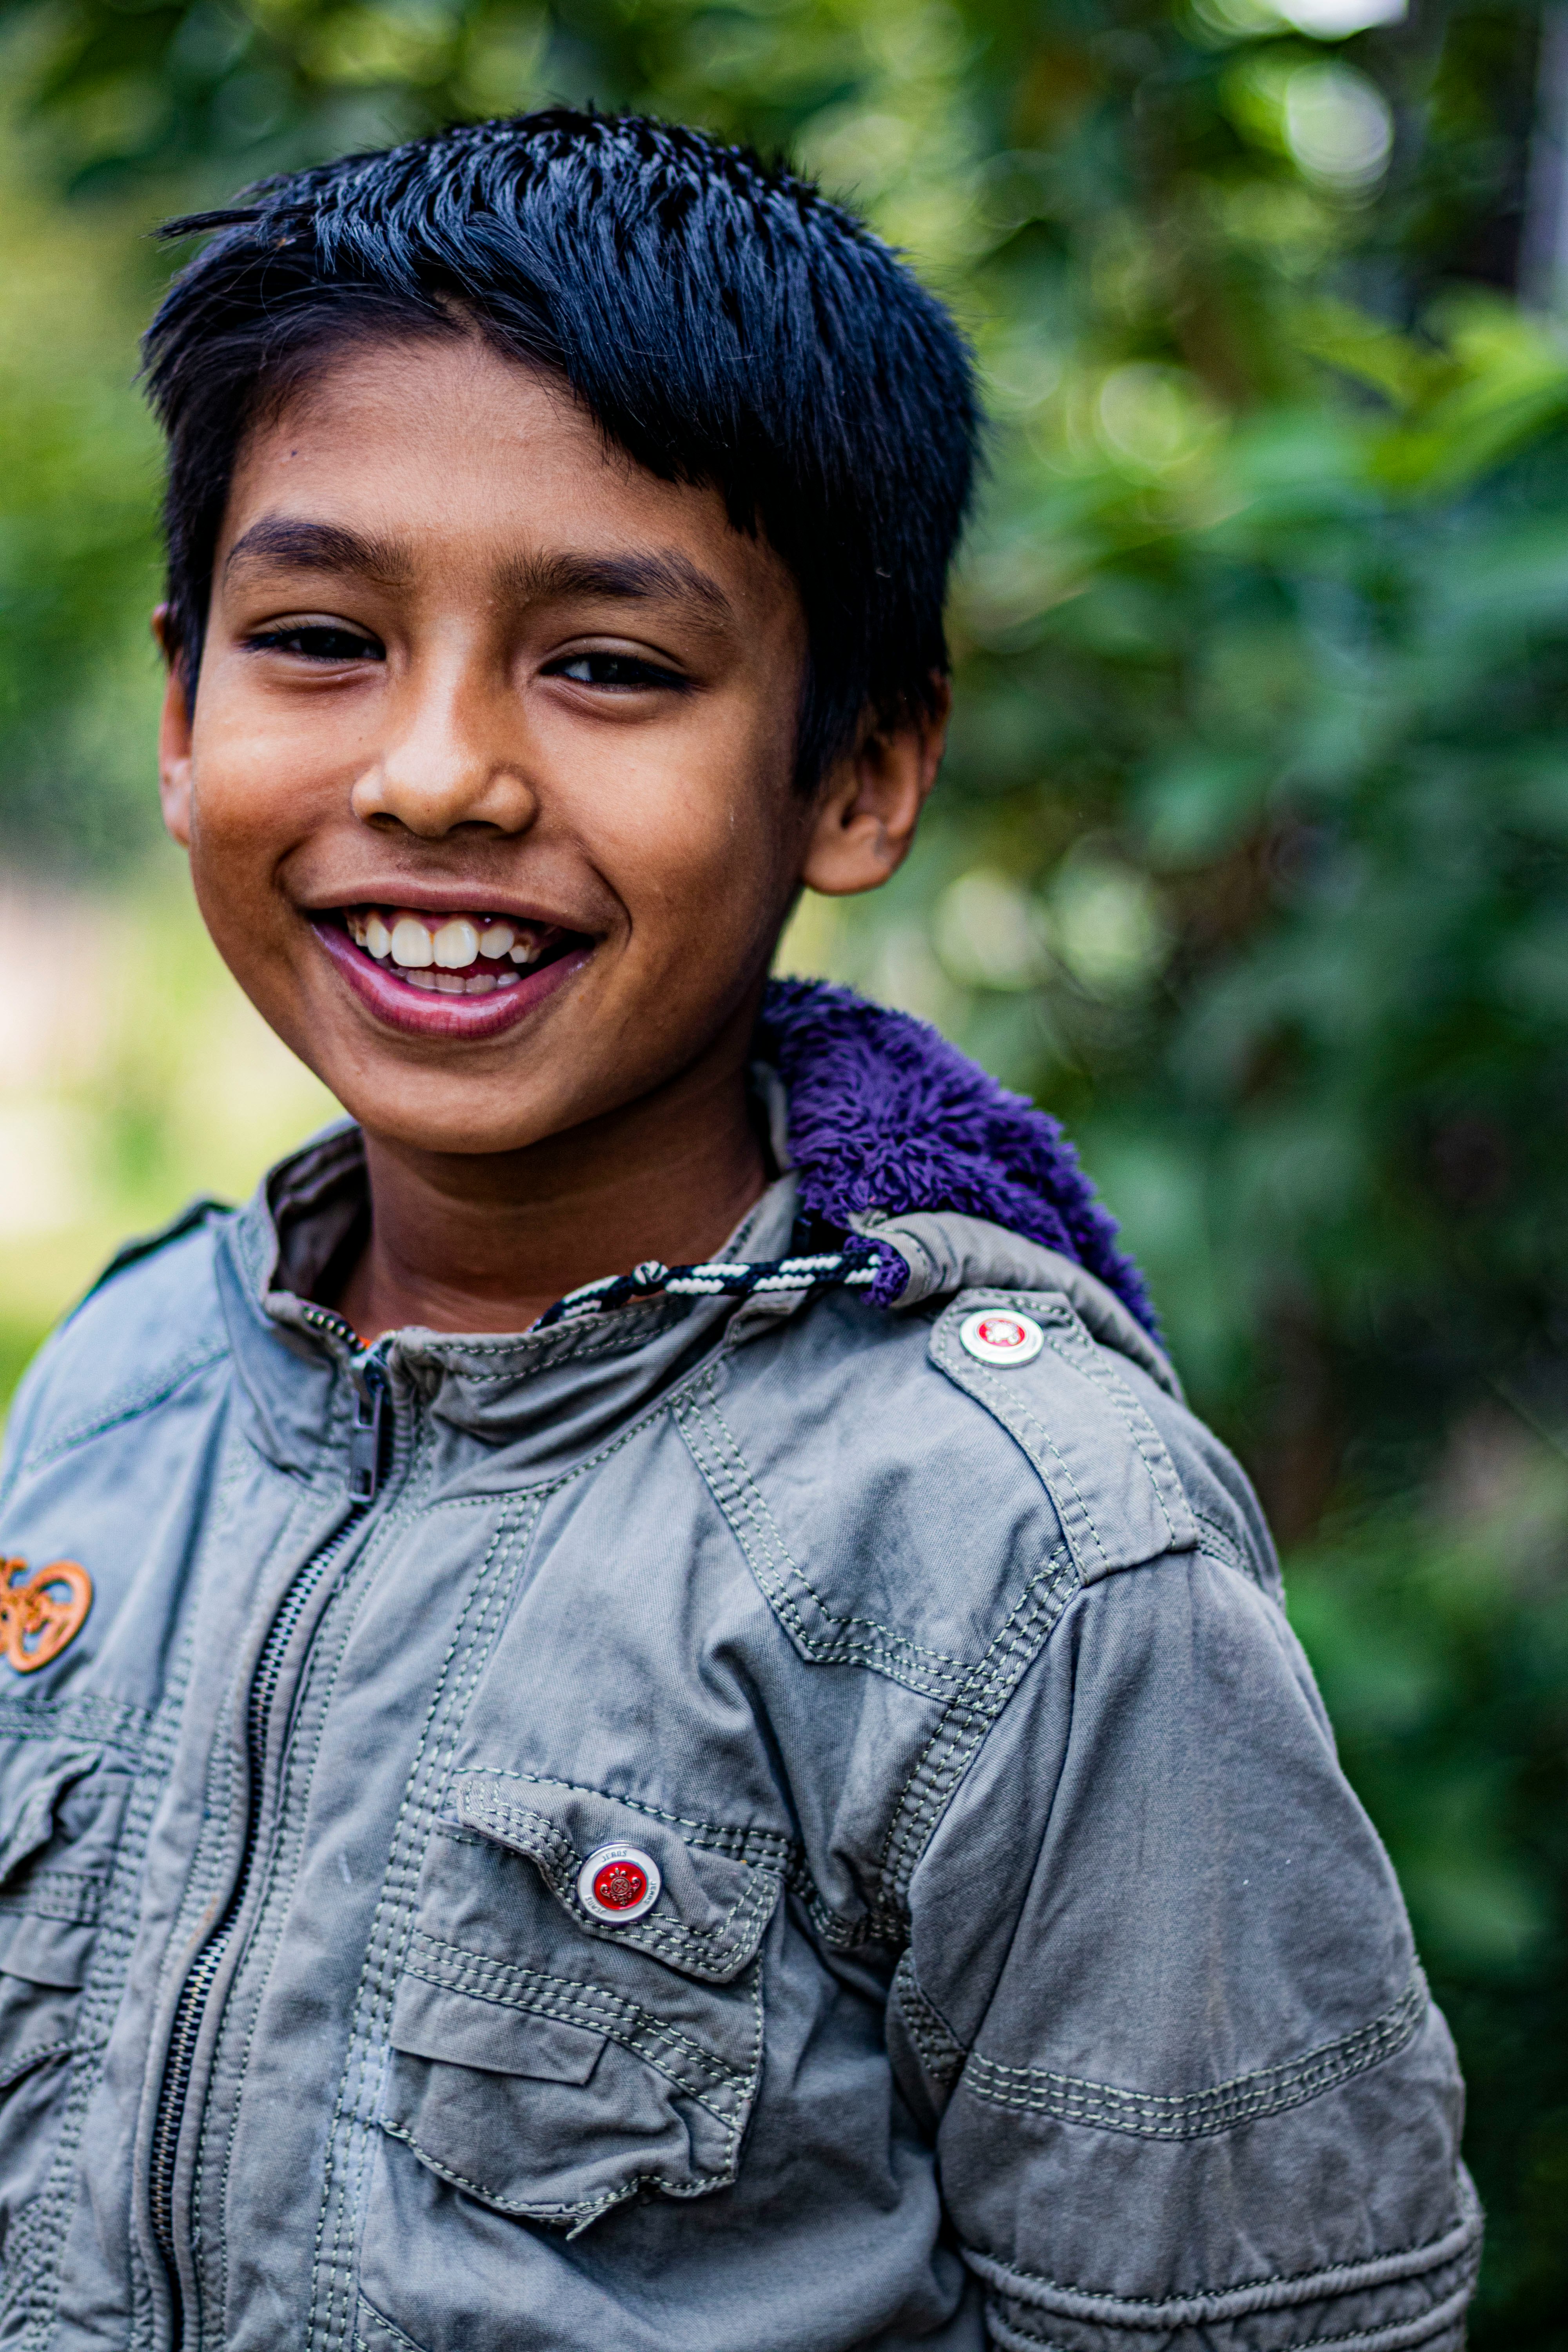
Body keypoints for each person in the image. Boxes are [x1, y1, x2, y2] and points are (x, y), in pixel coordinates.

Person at [0, 110, 1477, 2352]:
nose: (438, 775)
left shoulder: (1024, 1553)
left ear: (861, 771)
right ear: (184, 706)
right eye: (318, 637)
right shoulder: (119, 1397)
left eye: (606, 666)